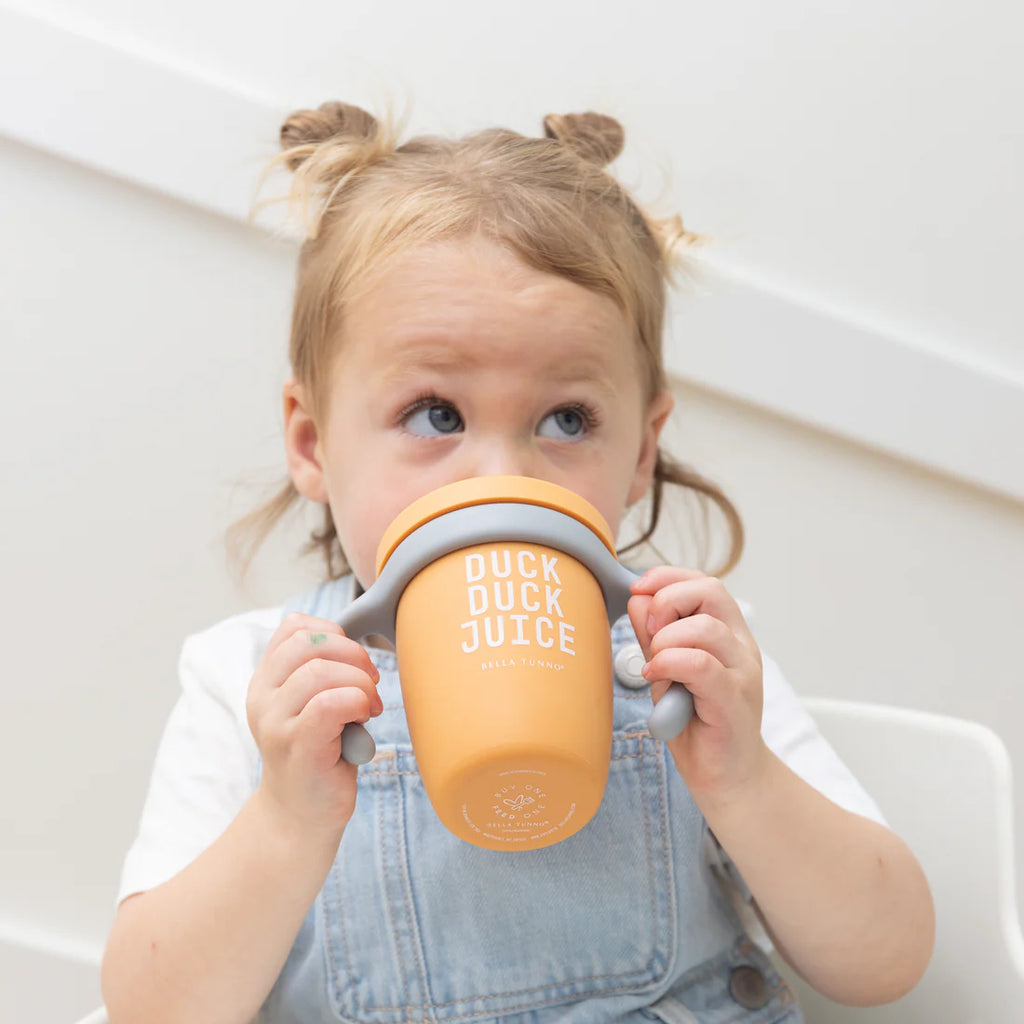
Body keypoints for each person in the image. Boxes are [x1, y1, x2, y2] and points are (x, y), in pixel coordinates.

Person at [101, 102, 934, 1024]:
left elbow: (885, 960)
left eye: (567, 420)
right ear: (311, 441)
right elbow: (151, 1009)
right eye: (436, 415)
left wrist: (745, 782)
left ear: (642, 450)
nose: (502, 476)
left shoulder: (687, 662)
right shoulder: (248, 679)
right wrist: (285, 821)